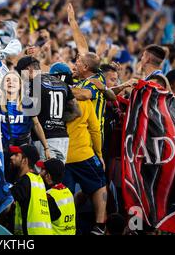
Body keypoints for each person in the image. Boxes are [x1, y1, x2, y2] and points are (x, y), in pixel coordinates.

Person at [64, 82, 108, 235]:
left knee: (64, 194)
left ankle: (66, 224)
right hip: (83, 154)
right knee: (100, 182)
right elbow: (95, 130)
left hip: (59, 155)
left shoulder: (49, 99)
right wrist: (99, 154)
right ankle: (99, 225)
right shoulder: (85, 101)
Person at [0, 71, 50, 182]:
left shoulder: (27, 103)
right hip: (4, 151)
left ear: (20, 85)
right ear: (2, 84)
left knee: (25, 180)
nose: (11, 82)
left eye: (15, 80)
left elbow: (36, 125)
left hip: (23, 151)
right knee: (6, 181)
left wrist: (46, 147)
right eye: (7, 80)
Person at [9, 144, 53, 235]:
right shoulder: (38, 180)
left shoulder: (25, 181)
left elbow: (4, 202)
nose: (12, 157)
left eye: (16, 155)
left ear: (25, 161)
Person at [37, 158, 76, 235]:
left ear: (48, 176)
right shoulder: (68, 192)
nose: (39, 173)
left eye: (42, 170)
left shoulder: (48, 196)